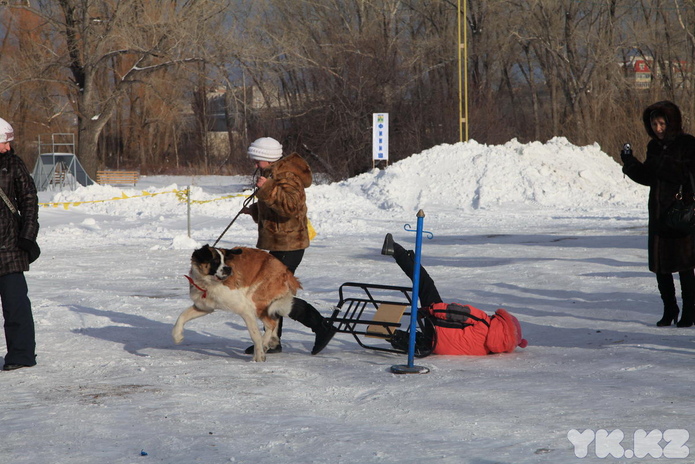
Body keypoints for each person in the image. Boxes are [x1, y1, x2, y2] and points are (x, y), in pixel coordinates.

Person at [241, 137, 335, 355]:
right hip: (280, 242)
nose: (255, 165)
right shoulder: (272, 174)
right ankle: (273, 340)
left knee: (274, 294)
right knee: (272, 293)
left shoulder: (287, 175)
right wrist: (255, 210)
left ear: (268, 158)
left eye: (258, 160)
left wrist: (267, 189)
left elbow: (291, 207)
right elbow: (276, 207)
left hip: (289, 244)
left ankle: (321, 326)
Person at [381, 233, 527, 356]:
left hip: (436, 325)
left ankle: (396, 250)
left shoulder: (483, 322)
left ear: (501, 323)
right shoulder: (487, 350)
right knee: (416, 340)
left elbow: (455, 312)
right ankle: (387, 334)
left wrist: (430, 310)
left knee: (425, 283)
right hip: (433, 347)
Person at [621, 101, 695, 327]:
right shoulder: (654, 147)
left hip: (680, 213)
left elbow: (685, 174)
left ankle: (690, 312)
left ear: (672, 122)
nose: (658, 128)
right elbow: (649, 177)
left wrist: (662, 163)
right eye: (654, 123)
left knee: (684, 265)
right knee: (661, 265)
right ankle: (669, 309)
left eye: (662, 123)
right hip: (658, 213)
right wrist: (629, 161)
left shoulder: (687, 144)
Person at [0, 118, 40, 371]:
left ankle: (21, 355)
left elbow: (29, 201)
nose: (7, 147)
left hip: (10, 248)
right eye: (4, 142)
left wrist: (28, 236)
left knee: (16, 307)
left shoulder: (13, 164)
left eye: (8, 142)